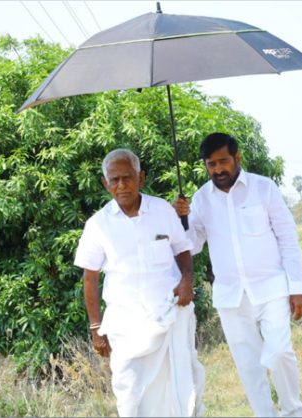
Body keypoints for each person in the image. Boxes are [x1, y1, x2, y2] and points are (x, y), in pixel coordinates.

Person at [174, 132, 302, 417]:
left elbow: (287, 237)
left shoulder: (264, 188)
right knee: (249, 366)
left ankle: (294, 411)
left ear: (237, 158)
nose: (218, 170)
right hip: (231, 297)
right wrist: (181, 219)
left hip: (272, 288)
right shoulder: (200, 199)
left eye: (223, 161)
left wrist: (298, 288)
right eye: (211, 164)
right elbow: (193, 246)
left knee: (280, 352)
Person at [74, 148, 205, 417]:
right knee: (130, 397)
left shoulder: (162, 211)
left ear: (141, 177)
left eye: (127, 177)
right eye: (114, 180)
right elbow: (90, 278)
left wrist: (187, 281)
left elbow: (182, 249)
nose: (121, 185)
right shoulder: (97, 225)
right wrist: (96, 327)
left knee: (180, 390)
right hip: (126, 327)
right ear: (105, 183)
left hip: (169, 317)